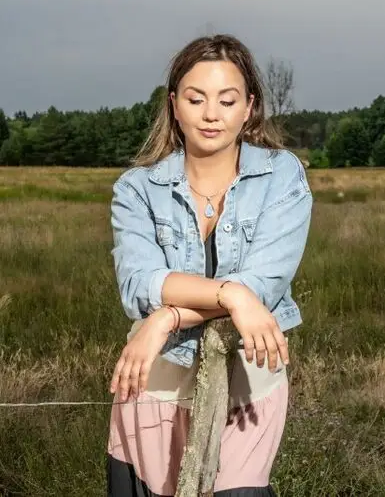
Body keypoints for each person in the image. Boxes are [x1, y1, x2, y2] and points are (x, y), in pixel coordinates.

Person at [106, 33, 313, 496]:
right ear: (174, 104)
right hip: (155, 380)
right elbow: (139, 281)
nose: (211, 114)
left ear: (249, 107)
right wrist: (231, 295)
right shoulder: (137, 189)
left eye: (227, 99)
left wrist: (170, 315)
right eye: (196, 99)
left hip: (249, 381)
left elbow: (265, 281)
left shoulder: (282, 177)